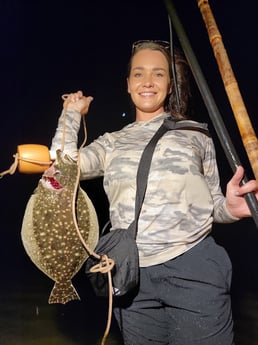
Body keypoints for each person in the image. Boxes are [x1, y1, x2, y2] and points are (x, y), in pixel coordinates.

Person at [50, 40, 258, 345]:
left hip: (193, 266)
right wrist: (71, 113)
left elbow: (213, 205)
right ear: (128, 84)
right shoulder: (111, 142)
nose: (148, 81)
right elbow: (62, 165)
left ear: (171, 85)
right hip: (130, 274)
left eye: (158, 74)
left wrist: (229, 207)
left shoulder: (195, 133)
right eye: (139, 74)